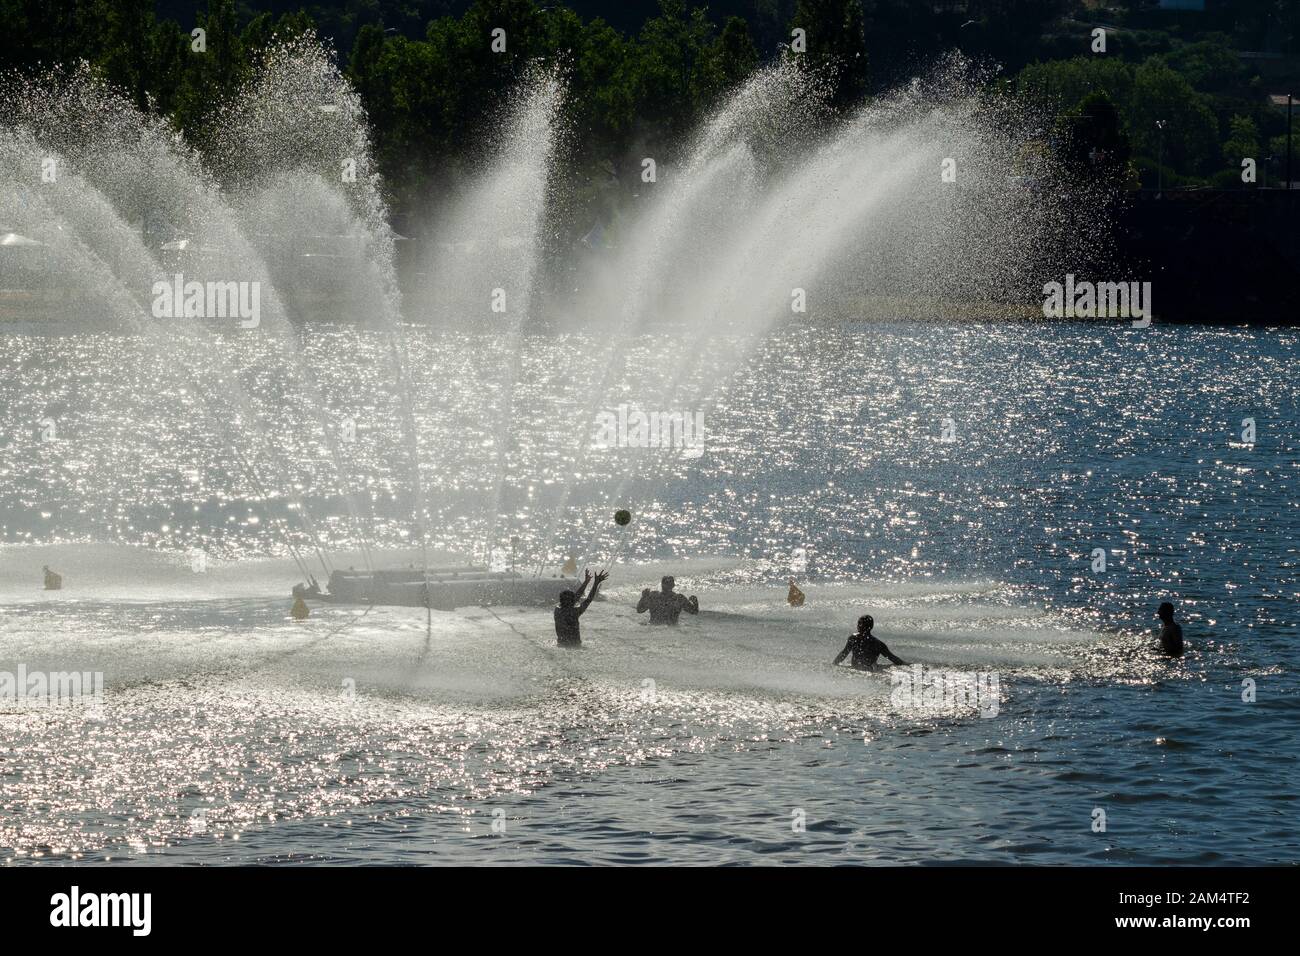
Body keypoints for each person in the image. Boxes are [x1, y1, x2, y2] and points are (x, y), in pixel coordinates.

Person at [554, 568, 608, 647]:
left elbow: (576, 597)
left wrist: (586, 582)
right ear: (572, 601)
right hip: (575, 645)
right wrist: (596, 583)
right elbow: (588, 599)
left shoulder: (557, 610)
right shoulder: (574, 612)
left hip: (561, 644)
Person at [832, 615, 906, 671]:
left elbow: (893, 658)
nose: (859, 626)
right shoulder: (853, 639)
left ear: (869, 627)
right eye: (859, 624)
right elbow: (844, 654)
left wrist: (907, 664)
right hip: (861, 670)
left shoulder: (878, 644)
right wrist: (834, 665)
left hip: (869, 671)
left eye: (861, 624)